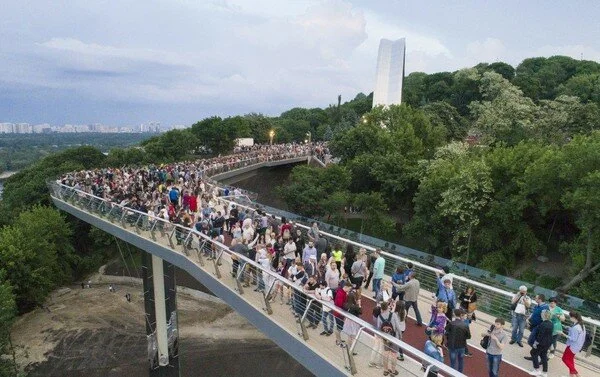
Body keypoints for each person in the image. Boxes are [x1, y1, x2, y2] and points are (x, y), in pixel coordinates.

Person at [529, 310, 553, 377]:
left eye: (542, 313)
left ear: (544, 315)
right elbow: (550, 334)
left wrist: (535, 343)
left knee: (533, 353)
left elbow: (540, 335)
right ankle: (544, 372)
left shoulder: (543, 324)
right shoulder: (551, 323)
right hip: (548, 343)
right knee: (544, 355)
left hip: (541, 343)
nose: (541, 314)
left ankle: (536, 370)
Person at [446, 309, 471, 373]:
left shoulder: (451, 323)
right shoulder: (465, 325)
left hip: (452, 346)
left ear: (454, 314)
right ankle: (460, 374)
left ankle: (452, 374)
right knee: (461, 361)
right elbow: (468, 336)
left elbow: (446, 331)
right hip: (462, 346)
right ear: (460, 315)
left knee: (453, 362)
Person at [562, 311, 585, 377]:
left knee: (564, 359)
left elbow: (573, 338)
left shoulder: (576, 327)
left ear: (574, 317)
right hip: (577, 346)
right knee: (570, 360)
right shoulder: (581, 325)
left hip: (572, 346)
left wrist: (564, 334)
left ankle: (577, 374)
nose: (570, 318)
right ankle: (571, 375)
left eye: (570, 317)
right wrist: (569, 328)